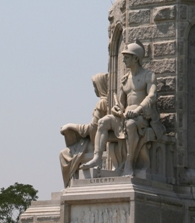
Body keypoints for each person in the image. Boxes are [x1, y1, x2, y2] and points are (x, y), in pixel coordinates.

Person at [83, 41, 164, 175]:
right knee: (102, 122)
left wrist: (138, 110)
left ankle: (129, 162)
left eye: (127, 57)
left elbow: (152, 96)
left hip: (142, 117)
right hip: (124, 115)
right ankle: (97, 158)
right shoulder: (125, 79)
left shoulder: (148, 76)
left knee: (131, 124)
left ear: (135, 58)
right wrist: (116, 108)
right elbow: (120, 103)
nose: (124, 60)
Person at [59, 72, 109, 186]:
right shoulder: (106, 101)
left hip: (98, 143)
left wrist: (71, 126)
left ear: (100, 85)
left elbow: (92, 129)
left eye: (95, 86)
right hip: (98, 140)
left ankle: (70, 185)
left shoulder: (102, 103)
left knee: (64, 154)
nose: (94, 89)